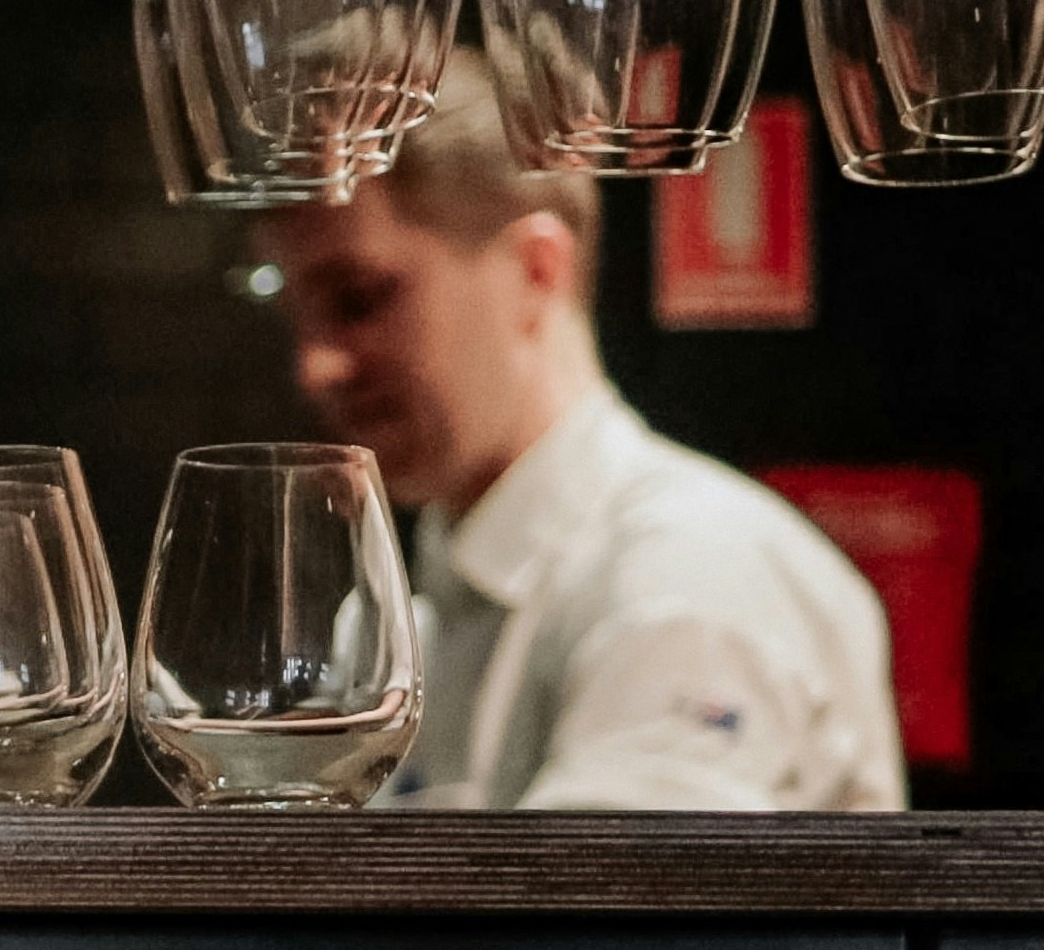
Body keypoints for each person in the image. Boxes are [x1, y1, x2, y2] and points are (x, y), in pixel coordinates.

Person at [258, 62, 907, 813]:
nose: (317, 365)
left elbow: (599, 929)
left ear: (537, 271)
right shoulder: (408, 613)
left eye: (359, 297)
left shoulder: (688, 570)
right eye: (294, 309)